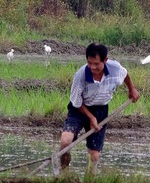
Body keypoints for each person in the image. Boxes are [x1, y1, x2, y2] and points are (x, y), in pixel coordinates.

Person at [59, 43, 139, 172]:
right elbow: (76, 102)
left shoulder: (114, 68)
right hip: (79, 109)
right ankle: (63, 172)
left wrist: (132, 89)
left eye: (96, 64)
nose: (92, 67)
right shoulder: (80, 76)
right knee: (65, 141)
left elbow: (125, 74)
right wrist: (91, 117)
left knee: (95, 155)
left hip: (101, 110)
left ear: (105, 60)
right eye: (90, 63)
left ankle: (91, 181)